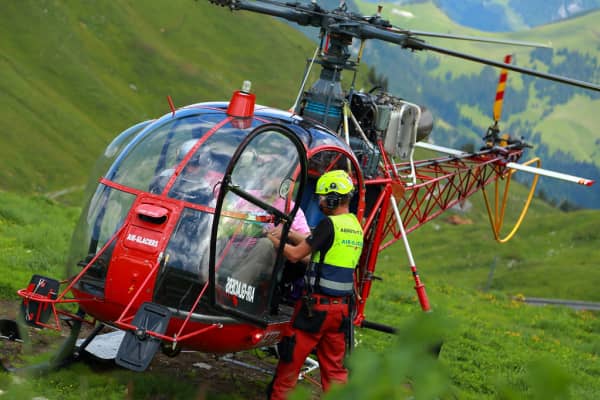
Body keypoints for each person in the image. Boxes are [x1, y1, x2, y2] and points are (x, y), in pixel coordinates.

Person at [265, 170, 364, 400]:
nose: (319, 202)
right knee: (335, 371)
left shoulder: (329, 224)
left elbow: (295, 255)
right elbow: (321, 243)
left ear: (333, 198)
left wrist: (271, 238)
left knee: (290, 364)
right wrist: (291, 234)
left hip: (315, 311)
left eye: (322, 197)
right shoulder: (354, 226)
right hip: (341, 312)